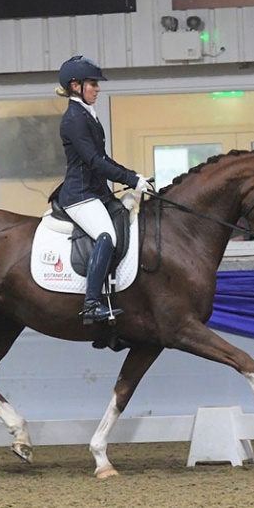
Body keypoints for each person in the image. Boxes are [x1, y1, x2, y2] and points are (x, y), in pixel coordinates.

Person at [54, 55, 152, 324]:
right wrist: (130, 180)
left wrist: (133, 176)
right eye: (93, 84)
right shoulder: (74, 118)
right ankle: (91, 303)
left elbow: (103, 158)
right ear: (76, 86)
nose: (97, 88)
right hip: (80, 196)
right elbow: (95, 162)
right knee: (106, 236)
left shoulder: (87, 114)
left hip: (96, 192)